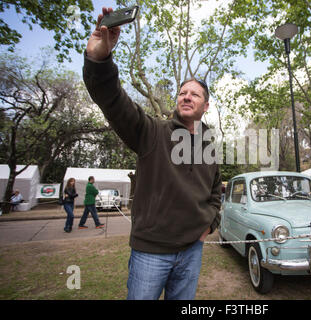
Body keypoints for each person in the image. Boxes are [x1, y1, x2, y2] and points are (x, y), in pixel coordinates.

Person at [83, 7, 222, 300]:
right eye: (183, 92)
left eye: (195, 94)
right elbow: (113, 101)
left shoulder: (210, 148)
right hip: (150, 253)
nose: (186, 96)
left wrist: (208, 226)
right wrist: (99, 59)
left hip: (192, 252)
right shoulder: (151, 132)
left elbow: (215, 195)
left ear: (205, 106)